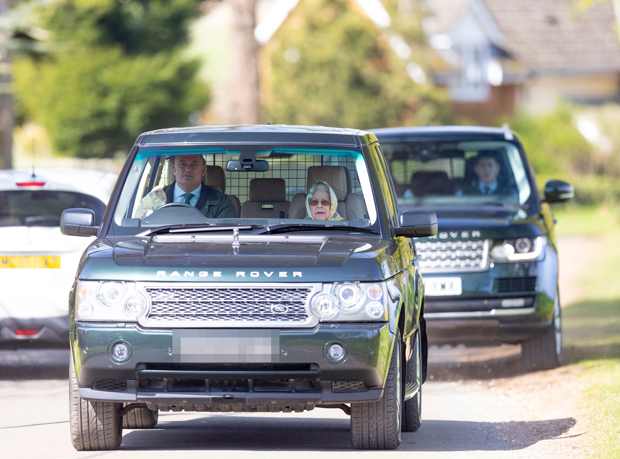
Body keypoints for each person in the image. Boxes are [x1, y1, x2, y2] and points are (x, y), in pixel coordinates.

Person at [134, 154, 238, 219]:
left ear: (202, 170)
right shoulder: (154, 200)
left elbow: (226, 240)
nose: (187, 169)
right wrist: (146, 221)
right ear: (174, 170)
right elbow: (135, 234)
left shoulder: (221, 202)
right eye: (182, 164)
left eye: (193, 164)